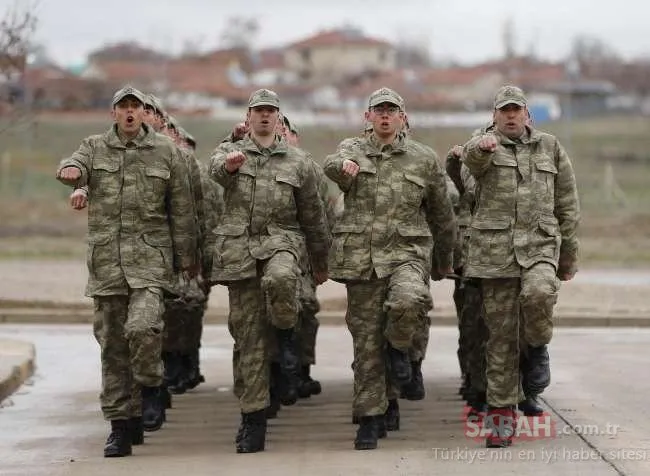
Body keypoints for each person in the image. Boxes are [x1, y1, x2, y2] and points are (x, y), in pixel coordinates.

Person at [56, 86, 197, 457]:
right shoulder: (94, 146)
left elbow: (181, 208)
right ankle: (121, 425)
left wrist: (187, 258)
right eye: (124, 107)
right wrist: (71, 173)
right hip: (107, 264)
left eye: (136, 106)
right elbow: (74, 166)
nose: (131, 112)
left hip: (151, 260)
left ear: (144, 112)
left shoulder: (166, 151)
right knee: (113, 348)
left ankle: (151, 383)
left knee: (143, 328)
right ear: (114, 113)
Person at [324, 87, 456, 450]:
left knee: (409, 302)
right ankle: (371, 417)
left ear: (402, 117)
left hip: (407, 253)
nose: (384, 116)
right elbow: (333, 165)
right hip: (362, 260)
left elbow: (442, 216)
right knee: (366, 343)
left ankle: (402, 351)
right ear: (368, 117)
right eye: (378, 110)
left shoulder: (423, 159)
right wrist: (344, 170)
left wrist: (445, 259)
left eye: (391, 111)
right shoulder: (352, 150)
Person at [208, 88, 329, 453]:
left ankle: (289, 332)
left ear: (278, 119)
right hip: (240, 253)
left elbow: (313, 215)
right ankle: (253, 419)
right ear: (247, 118)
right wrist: (229, 161)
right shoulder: (230, 154)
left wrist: (321, 261)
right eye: (258, 111)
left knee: (281, 278)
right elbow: (214, 169)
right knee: (249, 342)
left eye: (270, 111)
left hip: (282, 243)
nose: (264, 116)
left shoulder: (299, 162)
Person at [462, 85, 580, 448]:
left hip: (541, 246)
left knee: (541, 294)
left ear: (527, 114)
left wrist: (569, 256)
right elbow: (468, 177)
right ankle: (500, 416)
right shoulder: (481, 146)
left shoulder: (550, 147)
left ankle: (538, 346)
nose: (511, 116)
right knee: (499, 338)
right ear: (494, 116)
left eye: (516, 110)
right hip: (495, 255)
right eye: (504, 111)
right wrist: (480, 151)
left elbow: (567, 204)